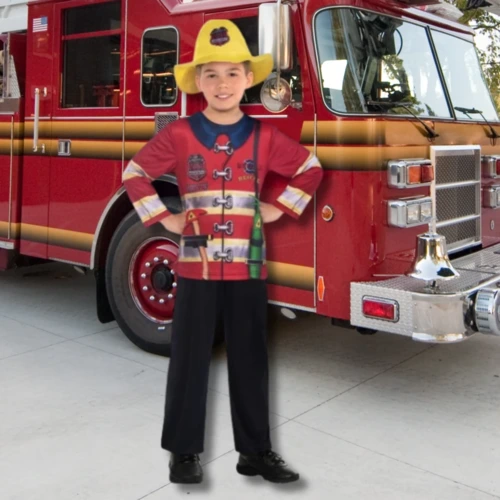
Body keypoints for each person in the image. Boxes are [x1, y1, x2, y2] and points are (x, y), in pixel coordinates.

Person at [123, 19, 323, 485]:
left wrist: (279, 208)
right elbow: (135, 173)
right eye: (211, 74)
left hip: (248, 266)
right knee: (189, 358)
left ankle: (254, 452)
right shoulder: (179, 134)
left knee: (250, 358)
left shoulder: (265, 137)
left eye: (232, 73)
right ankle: (183, 452)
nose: (222, 83)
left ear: (248, 79)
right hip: (196, 266)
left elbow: (310, 168)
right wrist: (165, 219)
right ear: (198, 81)